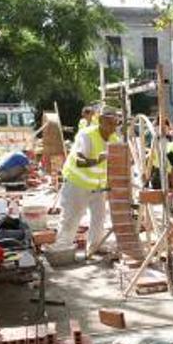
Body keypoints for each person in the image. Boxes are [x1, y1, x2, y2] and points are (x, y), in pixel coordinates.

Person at [55, 106, 119, 255]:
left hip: (98, 186)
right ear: (101, 121)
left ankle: (95, 246)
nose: (113, 128)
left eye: (116, 123)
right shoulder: (87, 135)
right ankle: (62, 249)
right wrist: (98, 160)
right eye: (110, 123)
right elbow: (79, 161)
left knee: (99, 218)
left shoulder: (114, 139)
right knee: (71, 218)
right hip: (77, 183)